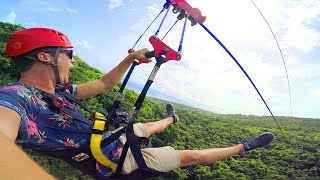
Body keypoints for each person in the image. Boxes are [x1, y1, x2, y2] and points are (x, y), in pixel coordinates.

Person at [0, 27, 275, 178]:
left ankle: (171, 119)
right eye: (68, 54)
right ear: (46, 58)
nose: (72, 61)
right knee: (191, 156)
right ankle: (245, 146)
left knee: (149, 126)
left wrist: (130, 59)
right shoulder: (14, 98)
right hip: (115, 162)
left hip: (107, 138)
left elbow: (103, 84)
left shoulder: (60, 90)